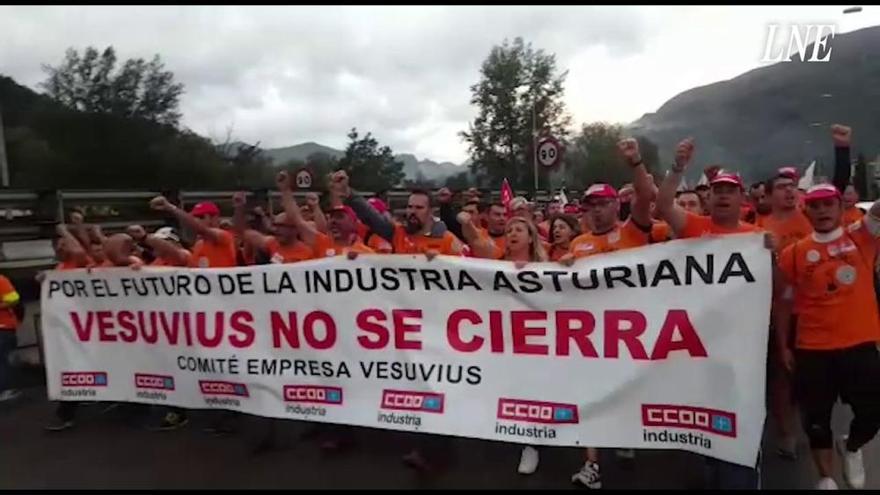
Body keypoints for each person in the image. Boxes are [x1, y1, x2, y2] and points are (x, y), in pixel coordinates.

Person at [657, 139, 763, 489]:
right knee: (705, 419)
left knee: (740, 423)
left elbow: (775, 286)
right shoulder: (694, 227)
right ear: (709, 196)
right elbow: (661, 204)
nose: (722, 196)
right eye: (717, 190)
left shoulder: (758, 238)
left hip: (742, 351)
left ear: (741, 198)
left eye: (729, 191)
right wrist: (677, 168)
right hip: (698, 347)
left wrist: (773, 254)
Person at [775, 183, 880, 490]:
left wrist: (843, 149)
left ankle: (852, 445)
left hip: (860, 344)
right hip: (813, 349)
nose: (822, 211)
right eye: (815, 205)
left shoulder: (862, 237)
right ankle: (826, 478)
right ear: (806, 210)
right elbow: (783, 303)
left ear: (839, 207)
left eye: (828, 204)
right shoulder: (792, 254)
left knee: (873, 411)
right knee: (817, 420)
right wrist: (783, 346)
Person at [759, 167, 814, 460]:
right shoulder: (757, 228)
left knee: (811, 374)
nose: (789, 191)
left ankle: (816, 424)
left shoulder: (811, 219)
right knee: (782, 374)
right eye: (781, 187)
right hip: (776, 313)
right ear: (768, 196)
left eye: (792, 186)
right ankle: (786, 431)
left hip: (813, 312)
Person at [334, 171, 465, 257]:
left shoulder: (448, 240)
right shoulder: (397, 233)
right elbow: (371, 217)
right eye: (410, 207)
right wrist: (348, 193)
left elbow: (463, 274)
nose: (413, 211)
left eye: (419, 208)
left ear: (431, 211)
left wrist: (439, 263)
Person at [149, 197, 237, 268]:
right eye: (194, 217)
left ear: (214, 218)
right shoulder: (198, 244)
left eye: (200, 217)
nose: (196, 220)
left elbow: (201, 229)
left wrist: (171, 208)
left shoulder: (224, 236)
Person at [0, 273, 22, 402]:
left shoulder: (1, 280)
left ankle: (8, 389)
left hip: (4, 326)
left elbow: (14, 299)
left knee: (3, 359)